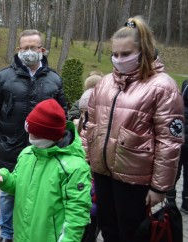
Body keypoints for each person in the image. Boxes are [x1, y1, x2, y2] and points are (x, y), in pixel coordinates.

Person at [85, 16, 184, 242]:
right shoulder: (105, 82)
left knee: (133, 234)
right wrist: (89, 161)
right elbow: (90, 124)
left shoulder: (162, 86)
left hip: (135, 182)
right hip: (103, 175)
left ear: (144, 51)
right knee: (109, 230)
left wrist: (160, 187)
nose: (119, 59)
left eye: (126, 54)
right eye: (116, 54)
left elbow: (169, 143)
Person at [0, 29, 67, 242]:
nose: (29, 51)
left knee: (40, 191)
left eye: (33, 47)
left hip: (43, 149)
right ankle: (7, 234)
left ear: (42, 50)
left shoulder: (54, 79)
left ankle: (34, 231)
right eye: (24, 48)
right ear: (18, 50)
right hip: (10, 145)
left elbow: (62, 112)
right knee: (9, 192)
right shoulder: (3, 77)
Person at [0, 99, 92, 242]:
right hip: (23, 235)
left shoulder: (73, 167)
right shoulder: (27, 153)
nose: (31, 138)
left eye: (35, 134)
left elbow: (77, 213)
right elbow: (16, 184)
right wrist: (2, 177)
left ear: (50, 135)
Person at [166, 79, 188, 213]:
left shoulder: (177, 108)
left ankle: (170, 200)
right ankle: (185, 202)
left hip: (179, 146)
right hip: (180, 146)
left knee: (174, 173)